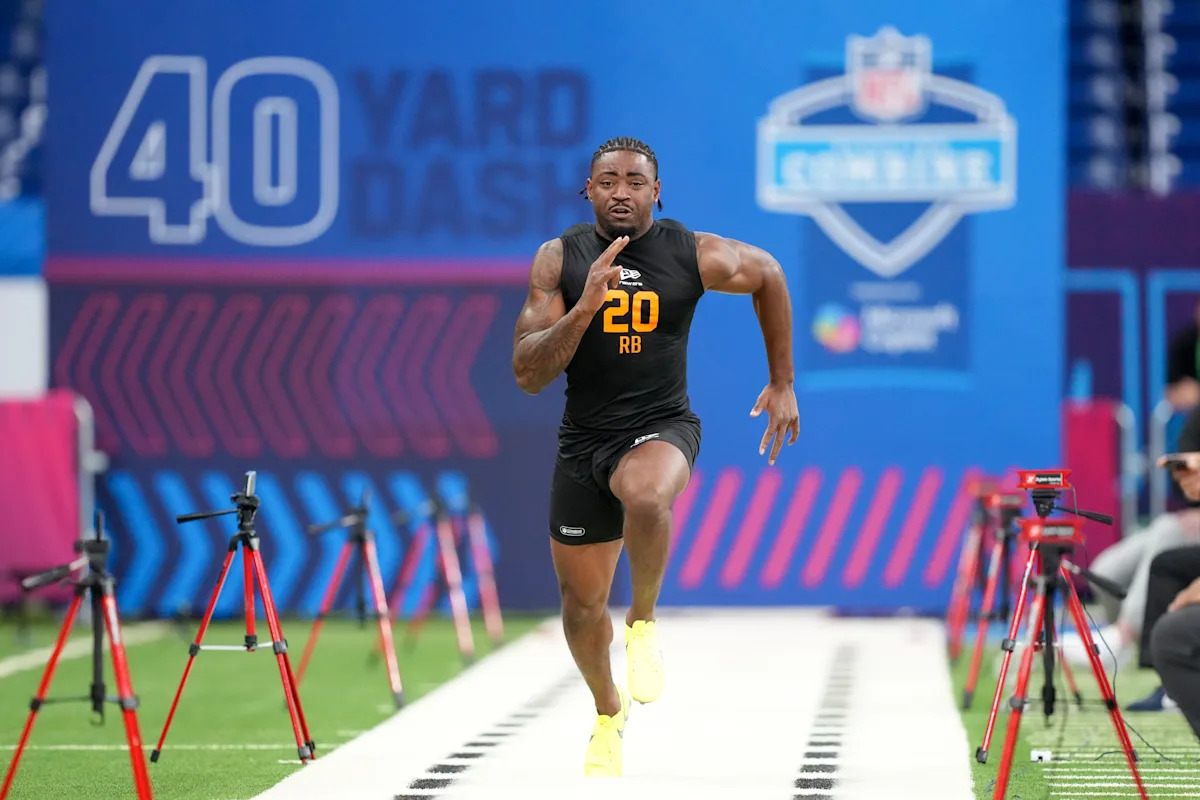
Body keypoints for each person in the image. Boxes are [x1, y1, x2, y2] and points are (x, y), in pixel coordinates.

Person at [511, 137, 800, 777]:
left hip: (661, 425)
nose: (621, 192)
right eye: (608, 180)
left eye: (635, 182)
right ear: (588, 189)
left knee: (646, 496)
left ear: (656, 192)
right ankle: (608, 711)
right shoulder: (559, 258)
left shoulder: (691, 252)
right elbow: (528, 372)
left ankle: (642, 623)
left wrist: (782, 381)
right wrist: (585, 306)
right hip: (583, 442)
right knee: (581, 608)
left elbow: (770, 274)